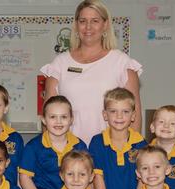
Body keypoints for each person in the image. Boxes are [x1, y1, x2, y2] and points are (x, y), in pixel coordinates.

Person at [41, 0, 143, 145]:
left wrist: (132, 153)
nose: (88, 27)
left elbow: (135, 115)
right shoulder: (59, 64)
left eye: (95, 21)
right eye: (83, 21)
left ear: (105, 24)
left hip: (111, 153)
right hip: (69, 154)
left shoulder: (122, 62)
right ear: (76, 25)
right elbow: (47, 116)